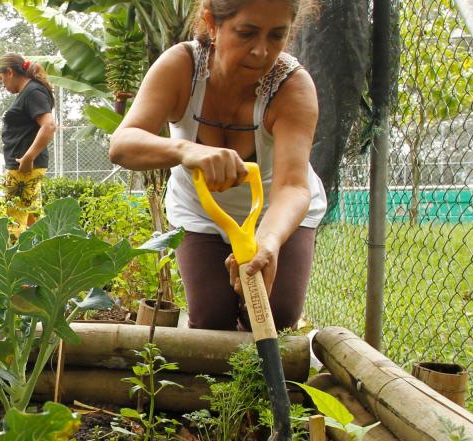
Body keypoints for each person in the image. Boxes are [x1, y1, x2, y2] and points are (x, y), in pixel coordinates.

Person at [107, 0, 326, 331]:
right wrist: (187, 150)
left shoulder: (292, 87)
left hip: (274, 213)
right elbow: (122, 145)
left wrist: (268, 242)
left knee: (276, 314)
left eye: (276, 36)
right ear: (212, 23)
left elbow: (293, 187)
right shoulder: (181, 68)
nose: (261, 51)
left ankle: (256, 364)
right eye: (247, 33)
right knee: (212, 318)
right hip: (200, 211)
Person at [0, 53, 57, 231]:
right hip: (25, 166)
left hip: (23, 167)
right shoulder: (29, 91)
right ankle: (47, 248)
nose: (2, 84)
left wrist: (28, 157)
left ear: (10, 72)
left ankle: (13, 249)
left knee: (14, 220)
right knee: (33, 219)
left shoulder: (32, 92)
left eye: (1, 78)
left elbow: (49, 125)